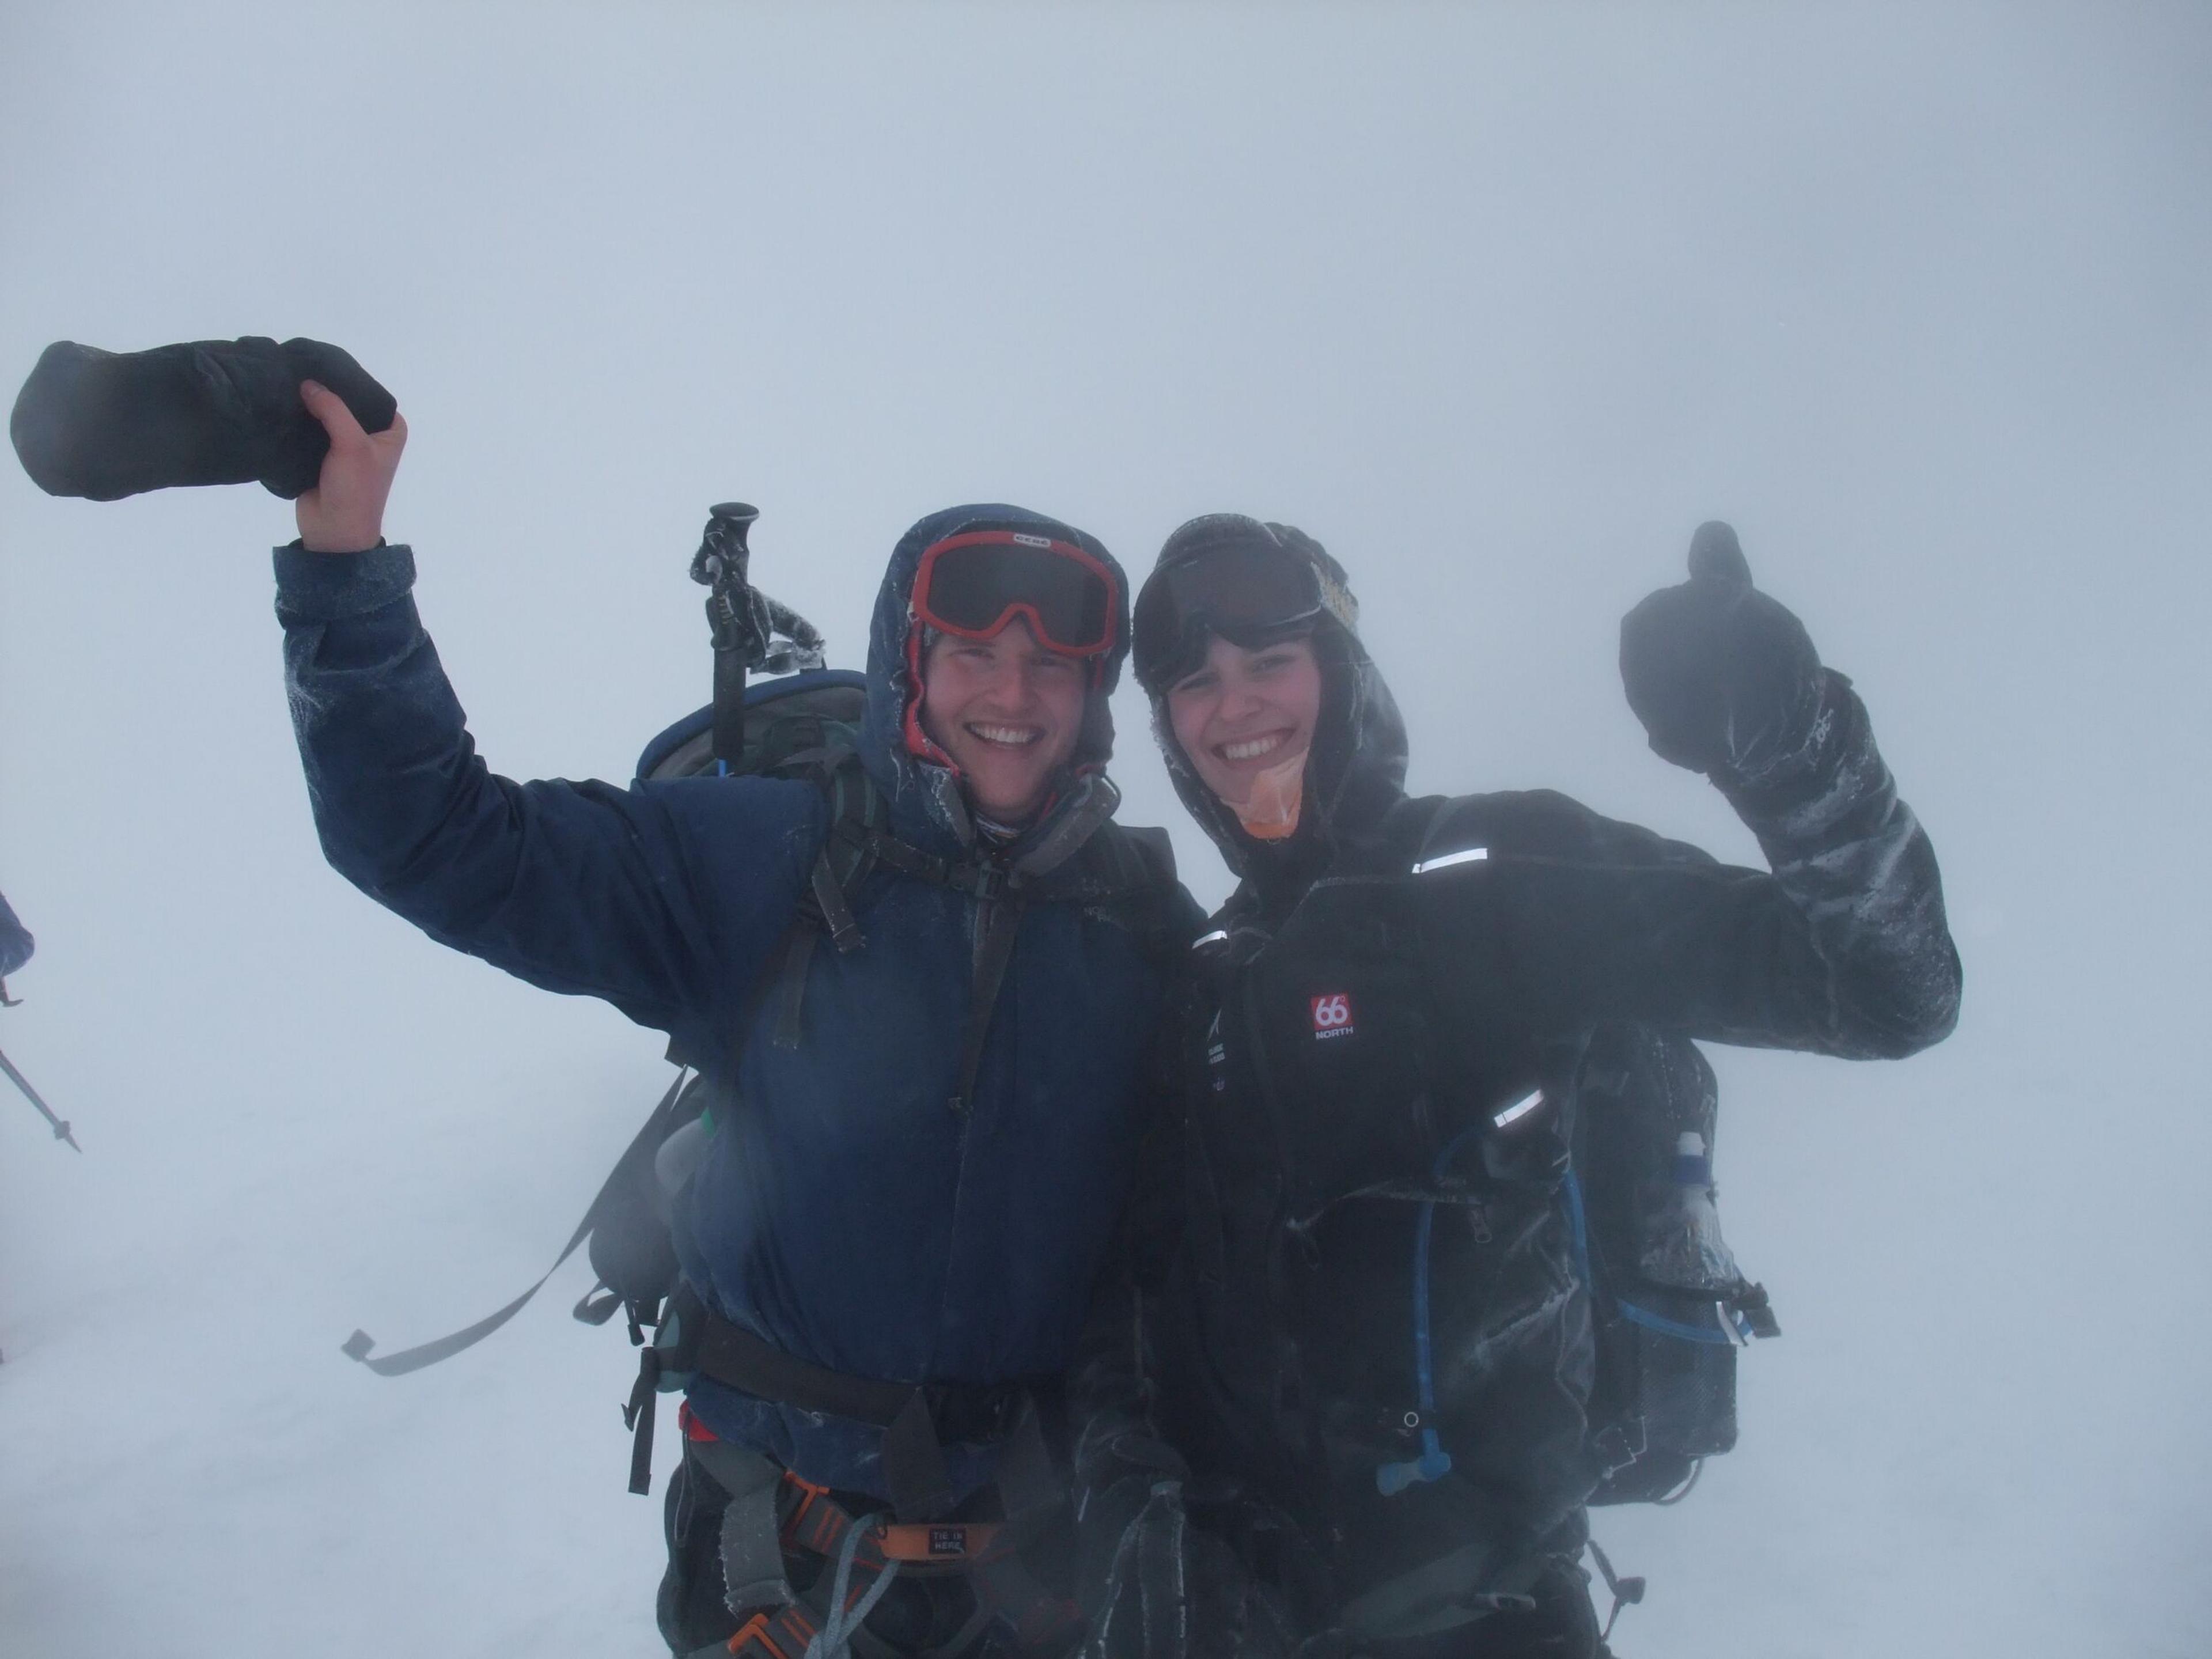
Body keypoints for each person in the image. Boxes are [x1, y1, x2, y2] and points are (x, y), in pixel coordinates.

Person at [276, 384, 1199, 1658]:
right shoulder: (762, 862)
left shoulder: (1141, 920)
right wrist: (347, 571)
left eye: (1052, 663)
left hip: (1045, 1576)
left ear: (1093, 696)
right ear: (908, 666)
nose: (1014, 693)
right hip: (781, 1561)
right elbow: (434, 837)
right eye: (972, 652)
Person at [1071, 514, 1961, 1658]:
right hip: (1235, 1618)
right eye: (1194, 684)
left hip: (1487, 1614)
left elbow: (1888, 993)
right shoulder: (1206, 977)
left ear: (1342, 673)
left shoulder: (1492, 876)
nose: (1233, 707)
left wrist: (1791, 751)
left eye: (1270, 662)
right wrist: (1130, 1504)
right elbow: (1140, 1300)